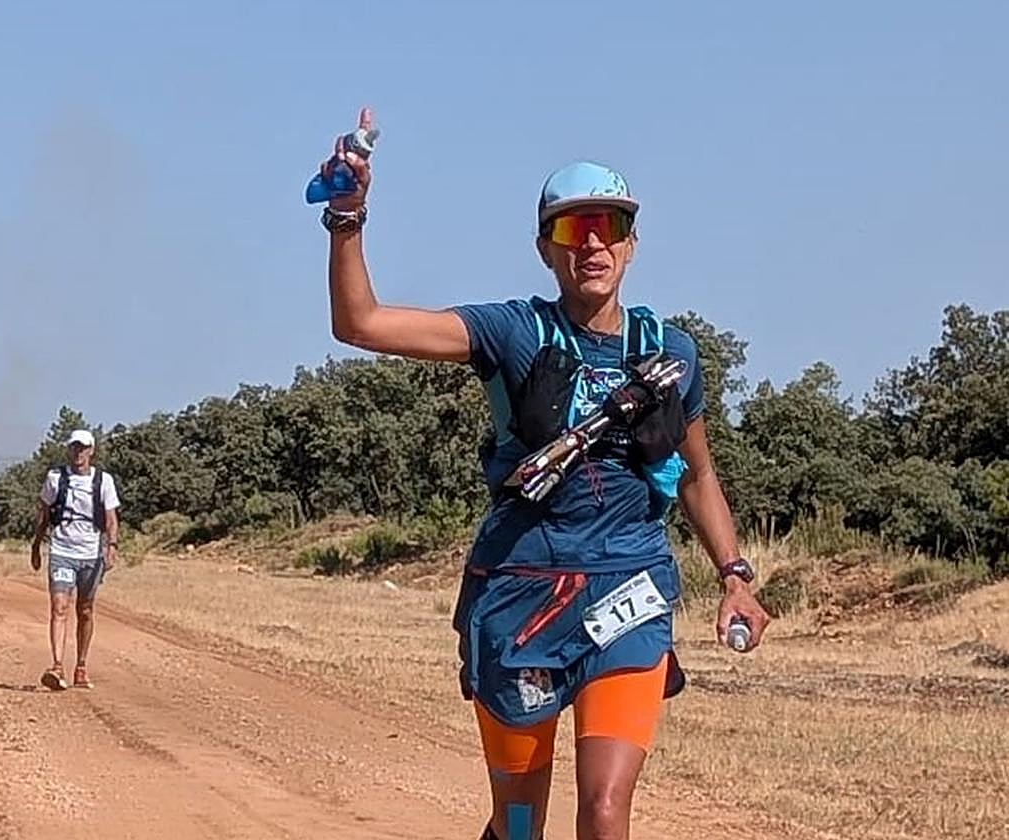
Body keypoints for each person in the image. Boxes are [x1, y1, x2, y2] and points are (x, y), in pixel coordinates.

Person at [318, 108, 770, 840]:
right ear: (544, 248)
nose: (592, 244)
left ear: (631, 243)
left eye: (609, 226)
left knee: (605, 809)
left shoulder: (671, 353)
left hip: (628, 585)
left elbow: (697, 474)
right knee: (520, 821)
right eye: (571, 229)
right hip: (521, 594)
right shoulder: (512, 332)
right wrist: (347, 217)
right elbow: (361, 324)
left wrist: (735, 575)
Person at [30, 429, 121, 691]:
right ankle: (57, 666)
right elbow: (44, 514)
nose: (78, 452)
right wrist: (36, 545)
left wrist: (111, 546)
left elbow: (111, 518)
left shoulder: (104, 481)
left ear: (91, 451)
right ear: (68, 450)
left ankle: (81, 666)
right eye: (74, 447)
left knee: (85, 609)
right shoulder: (55, 478)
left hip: (91, 555)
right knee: (59, 607)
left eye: (83, 448)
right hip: (62, 551)